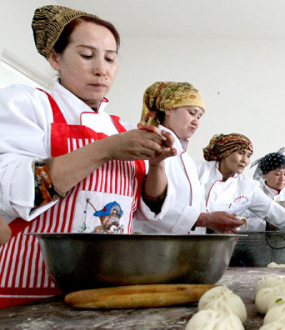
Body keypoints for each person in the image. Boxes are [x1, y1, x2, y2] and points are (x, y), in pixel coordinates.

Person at [0, 5, 176, 308]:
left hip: (105, 291)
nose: (102, 69)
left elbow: (147, 213)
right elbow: (16, 192)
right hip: (30, 290)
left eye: (110, 58)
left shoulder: (119, 127)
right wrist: (107, 149)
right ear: (55, 58)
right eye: (87, 55)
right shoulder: (27, 103)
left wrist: (157, 165)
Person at [137, 82, 244, 234]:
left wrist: (214, 222)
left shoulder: (186, 159)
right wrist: (205, 219)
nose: (196, 122)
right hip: (155, 246)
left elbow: (195, 206)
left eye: (199, 116)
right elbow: (149, 206)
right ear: (168, 108)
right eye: (192, 113)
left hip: (185, 249)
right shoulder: (149, 145)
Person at [197, 135, 285, 232]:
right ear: (225, 153)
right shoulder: (197, 171)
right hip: (188, 238)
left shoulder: (247, 186)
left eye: (249, 156)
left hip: (220, 244)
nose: (244, 160)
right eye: (240, 153)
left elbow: (272, 210)